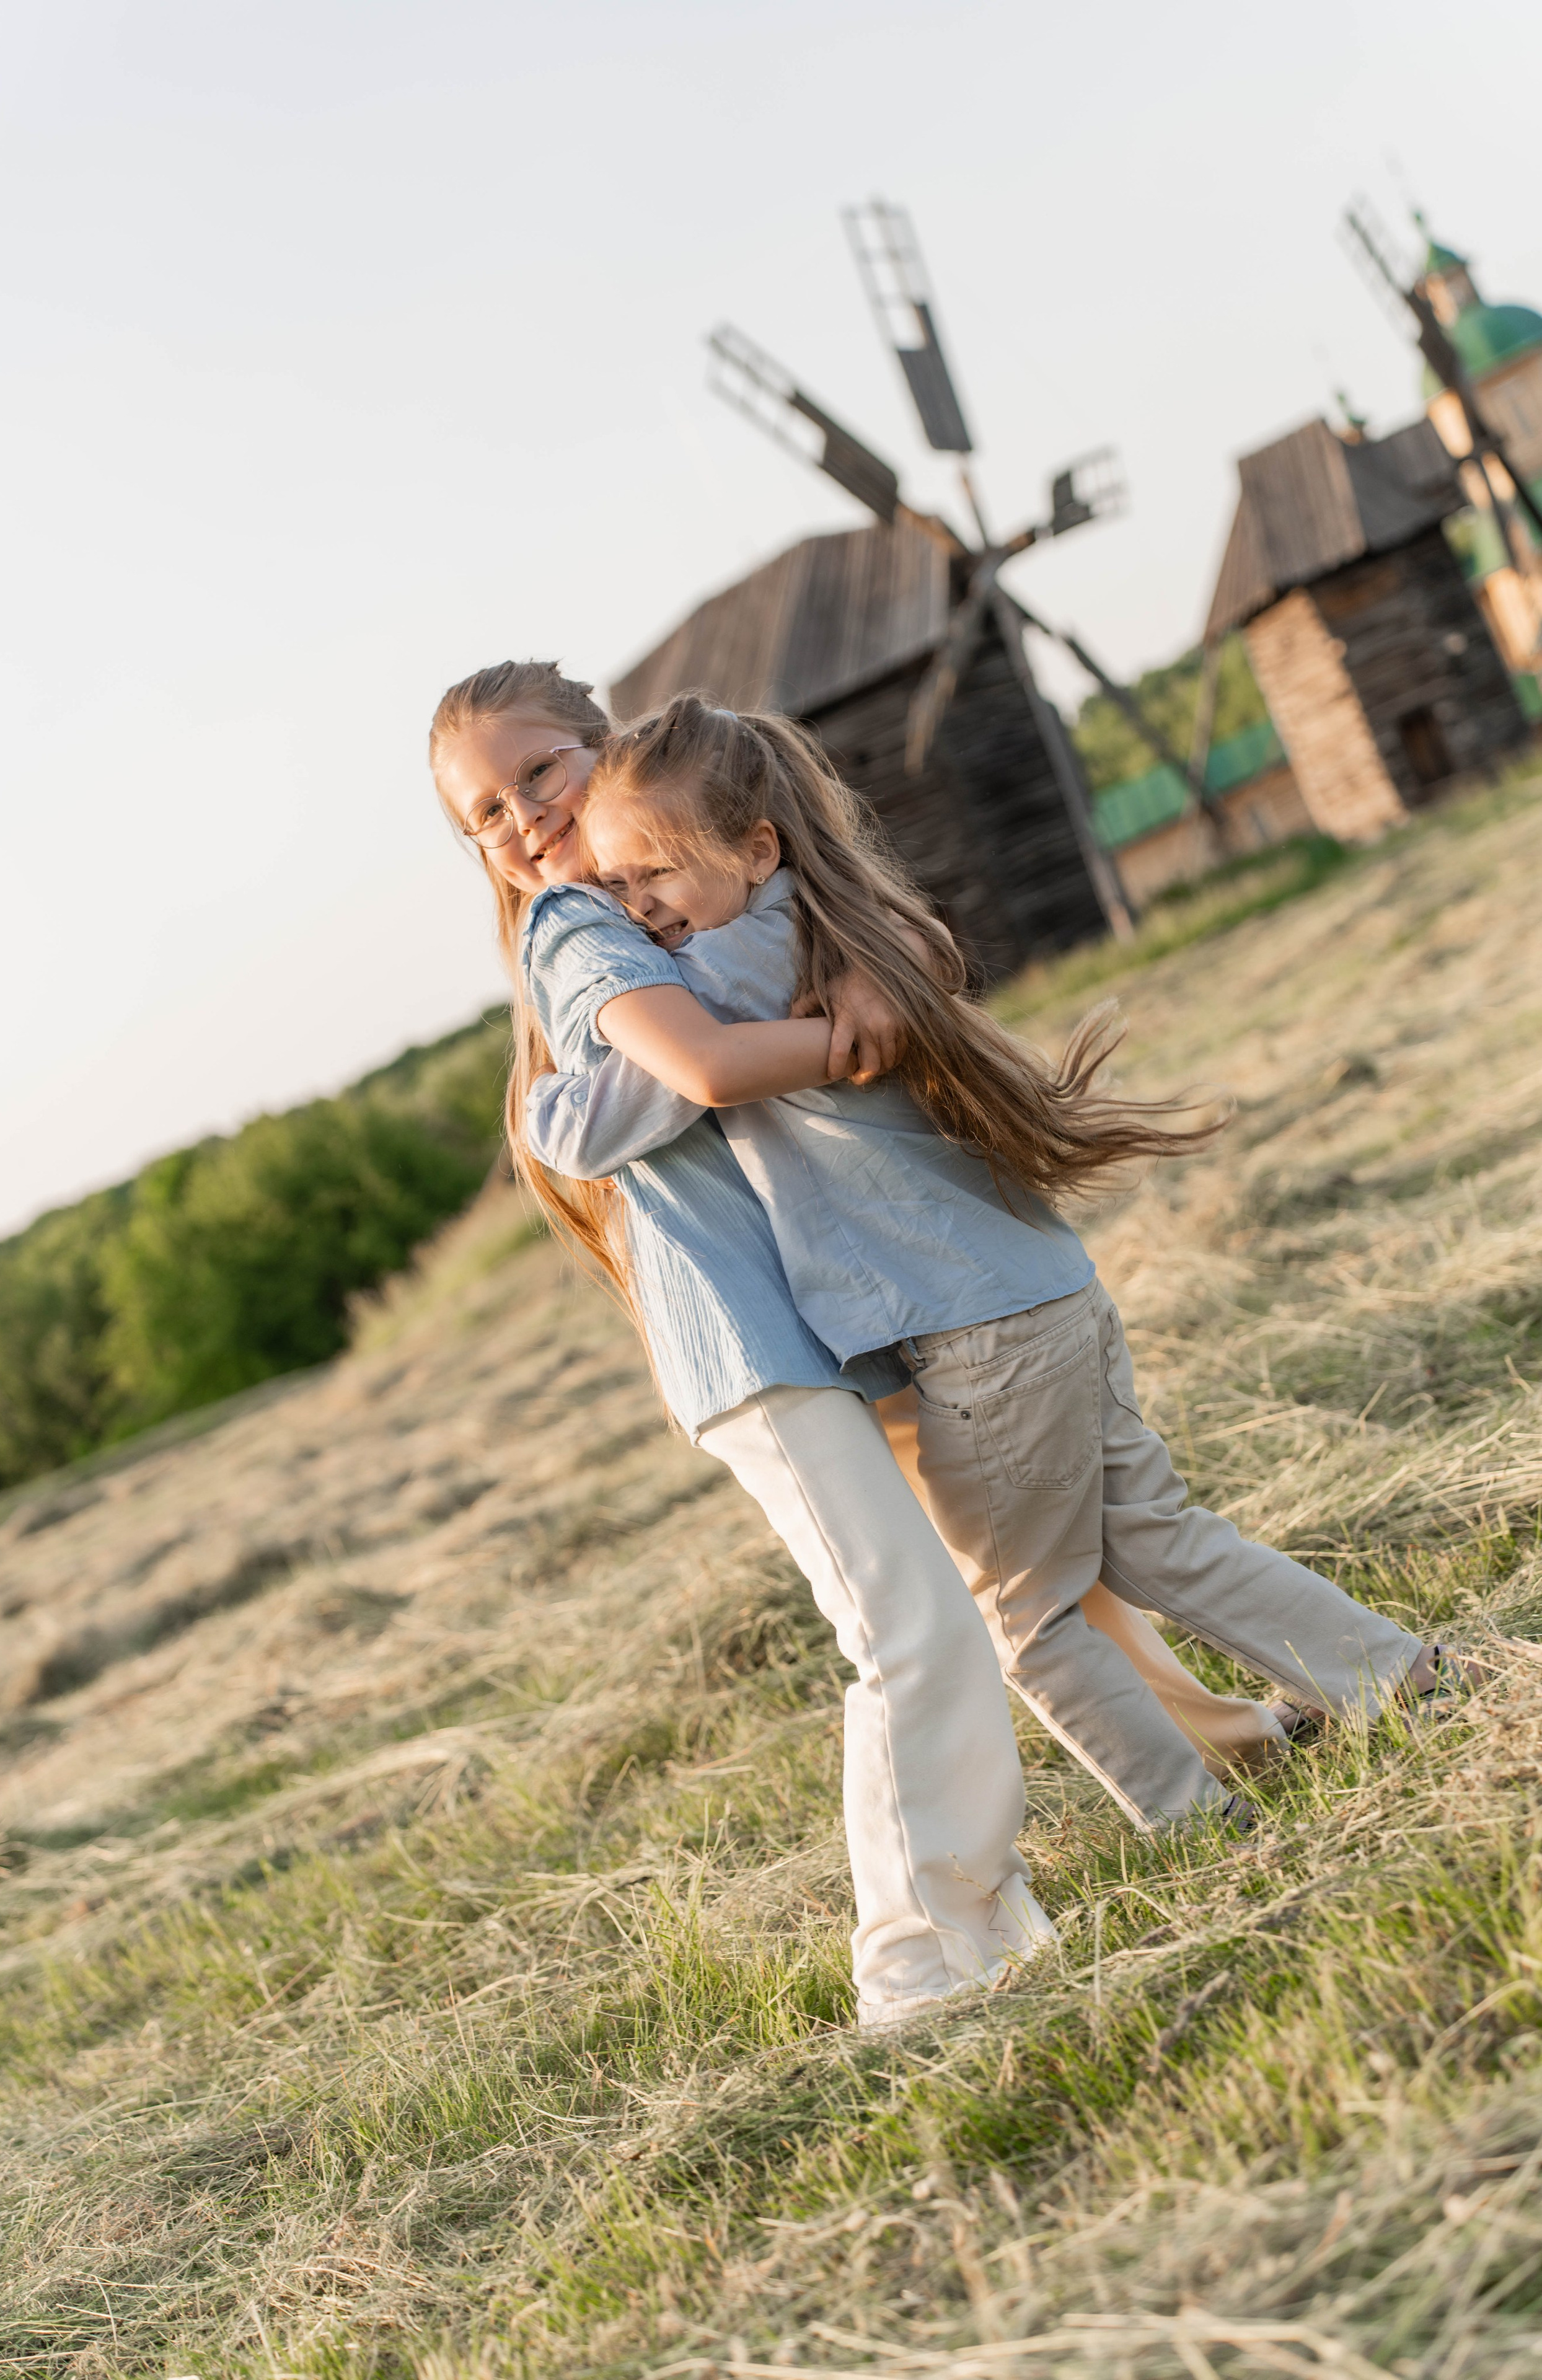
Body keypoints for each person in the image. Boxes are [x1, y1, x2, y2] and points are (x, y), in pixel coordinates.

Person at [523, 693, 1458, 1830]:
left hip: (976, 1336)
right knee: (1159, 1539)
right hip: (1041, 1290)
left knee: (1030, 1618)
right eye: (616, 886)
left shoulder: (720, 975)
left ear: (756, 848)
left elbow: (593, 1125)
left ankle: (1190, 1817)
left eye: (655, 875)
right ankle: (1395, 1675)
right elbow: (919, 942)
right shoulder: (832, 922)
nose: (635, 911)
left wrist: (547, 1103)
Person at [428, 659, 1054, 2030]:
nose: (523, 817)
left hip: (808, 1315)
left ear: (601, 746)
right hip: (742, 1333)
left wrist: (861, 963)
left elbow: (742, 993)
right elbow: (704, 1063)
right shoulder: (579, 932)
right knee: (903, 1628)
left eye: (537, 773)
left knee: (942, 1610)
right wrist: (842, 1022)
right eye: (485, 812)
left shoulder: (648, 894)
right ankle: (908, 1968)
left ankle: (985, 1922)